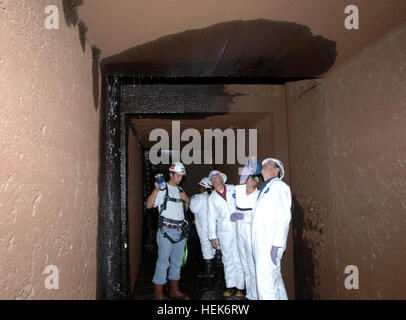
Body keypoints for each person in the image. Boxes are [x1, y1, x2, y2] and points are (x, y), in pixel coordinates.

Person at [146, 162, 190, 300]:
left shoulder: (180, 191)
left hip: (180, 231)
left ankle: (174, 290)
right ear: (170, 174)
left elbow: (185, 209)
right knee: (163, 262)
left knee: (177, 262)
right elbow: (149, 205)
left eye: (182, 176)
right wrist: (156, 190)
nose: (180, 179)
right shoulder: (162, 188)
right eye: (177, 176)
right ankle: (158, 294)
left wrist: (186, 200)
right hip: (166, 230)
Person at [251, 158, 292, 300]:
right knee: (274, 282)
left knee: (266, 287)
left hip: (270, 245)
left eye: (268, 164)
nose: (264, 165)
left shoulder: (280, 187)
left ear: (277, 170)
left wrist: (277, 245)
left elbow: (284, 217)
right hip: (262, 244)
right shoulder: (265, 189)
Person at [207, 170, 244, 298]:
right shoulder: (211, 198)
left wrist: (242, 215)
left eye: (217, 177)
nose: (214, 180)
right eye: (212, 179)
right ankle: (230, 285)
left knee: (239, 257)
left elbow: (245, 201)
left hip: (239, 228)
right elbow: (211, 218)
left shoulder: (234, 189)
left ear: (222, 178)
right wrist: (212, 236)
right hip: (224, 232)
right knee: (227, 259)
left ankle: (240, 287)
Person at [231, 161, 261, 300]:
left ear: (255, 182)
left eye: (250, 179)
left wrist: (243, 215)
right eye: (245, 179)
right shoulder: (241, 195)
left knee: (253, 266)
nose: (247, 182)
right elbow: (237, 209)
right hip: (240, 234)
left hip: (251, 235)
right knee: (245, 266)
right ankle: (250, 295)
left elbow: (252, 212)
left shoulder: (259, 195)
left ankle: (256, 295)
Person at [190, 177, 216, 278]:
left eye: (200, 187)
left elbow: (194, 209)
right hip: (213, 226)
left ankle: (209, 271)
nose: (199, 188)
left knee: (206, 247)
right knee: (214, 247)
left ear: (204, 187)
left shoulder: (200, 197)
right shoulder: (213, 196)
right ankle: (215, 268)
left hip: (204, 227)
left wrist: (192, 200)